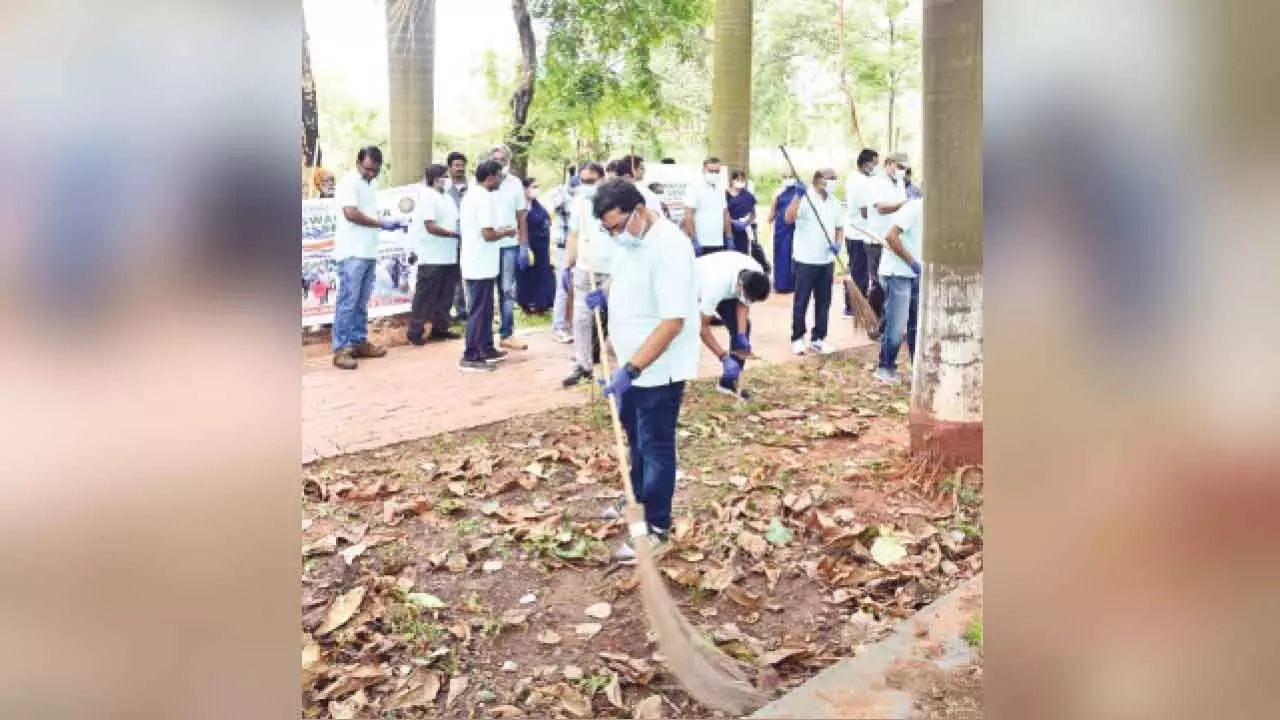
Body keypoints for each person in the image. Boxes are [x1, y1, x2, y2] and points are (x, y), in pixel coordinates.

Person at [587, 179, 701, 561]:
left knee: (656, 447)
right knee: (634, 437)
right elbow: (622, 278)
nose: (616, 235)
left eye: (619, 225)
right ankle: (633, 497)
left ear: (639, 209)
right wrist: (602, 294)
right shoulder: (631, 242)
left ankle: (655, 526)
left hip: (657, 369)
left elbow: (672, 321)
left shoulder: (669, 247)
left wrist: (632, 369)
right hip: (632, 365)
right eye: (608, 229)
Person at [331, 146, 407, 370]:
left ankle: (358, 341)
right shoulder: (349, 182)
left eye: (375, 170)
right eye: (367, 169)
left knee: (362, 301)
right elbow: (351, 213)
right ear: (358, 163)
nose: (371, 174)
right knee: (348, 302)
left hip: (368, 251)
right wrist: (382, 224)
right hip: (351, 252)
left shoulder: (372, 184)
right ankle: (341, 349)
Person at [458, 160, 517, 373]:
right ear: (490, 176)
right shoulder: (482, 198)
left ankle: (486, 347)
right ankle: (471, 354)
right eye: (499, 175)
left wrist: (498, 230)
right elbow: (487, 233)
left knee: (485, 309)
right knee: (479, 310)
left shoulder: (474, 195)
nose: (501, 179)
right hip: (479, 262)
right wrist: (507, 232)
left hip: (481, 261)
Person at [561, 162, 612, 387]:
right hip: (585, 268)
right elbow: (573, 235)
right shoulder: (578, 203)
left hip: (612, 271)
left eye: (591, 181)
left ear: (602, 179)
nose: (587, 186)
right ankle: (583, 365)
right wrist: (567, 265)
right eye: (583, 181)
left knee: (613, 317)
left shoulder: (614, 202)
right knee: (581, 318)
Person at [694, 251, 771, 399]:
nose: (750, 302)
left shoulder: (756, 273)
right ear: (740, 287)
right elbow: (702, 327)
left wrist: (741, 335)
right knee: (680, 331)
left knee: (743, 328)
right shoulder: (714, 286)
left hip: (728, 289)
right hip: (694, 287)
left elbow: (743, 304)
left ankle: (728, 383)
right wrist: (723, 357)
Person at [783, 168, 844, 356]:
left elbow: (839, 227)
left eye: (836, 178)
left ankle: (818, 338)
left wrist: (838, 244)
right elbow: (789, 218)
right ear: (818, 180)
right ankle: (798, 337)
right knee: (801, 300)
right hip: (805, 259)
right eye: (830, 178)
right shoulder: (806, 198)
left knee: (824, 301)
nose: (834, 181)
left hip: (826, 260)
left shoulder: (835, 202)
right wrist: (797, 197)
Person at [406, 164, 463, 345]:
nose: (447, 180)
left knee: (446, 294)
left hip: (449, 254)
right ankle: (415, 331)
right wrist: (452, 234)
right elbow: (430, 226)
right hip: (431, 255)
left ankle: (440, 328)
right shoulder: (427, 196)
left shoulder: (447, 197)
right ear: (434, 178)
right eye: (444, 176)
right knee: (425, 296)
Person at [487, 144, 531, 351]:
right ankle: (485, 334)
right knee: (486, 290)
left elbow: (521, 215)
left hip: (509, 245)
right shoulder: (482, 182)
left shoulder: (515, 184)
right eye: (496, 159)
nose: (500, 163)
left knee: (506, 290)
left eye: (504, 160)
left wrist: (524, 244)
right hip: (486, 245)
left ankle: (507, 333)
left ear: (509, 162)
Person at [876, 197, 924, 385]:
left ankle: (916, 367)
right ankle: (885, 367)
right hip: (898, 273)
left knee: (916, 324)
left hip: (915, 274)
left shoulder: (935, 212)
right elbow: (891, 236)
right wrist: (911, 261)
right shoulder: (914, 208)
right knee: (896, 326)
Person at [866, 152, 911, 335]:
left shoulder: (899, 183)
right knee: (878, 284)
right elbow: (882, 208)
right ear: (889, 163)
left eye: (904, 169)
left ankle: (888, 324)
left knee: (892, 283)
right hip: (876, 240)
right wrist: (905, 204)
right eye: (899, 167)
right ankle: (873, 323)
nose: (902, 171)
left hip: (894, 240)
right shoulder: (876, 182)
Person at [843, 148, 879, 321]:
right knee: (860, 272)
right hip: (859, 232)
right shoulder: (861, 182)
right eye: (874, 163)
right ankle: (853, 306)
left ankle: (854, 305)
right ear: (865, 164)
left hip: (855, 231)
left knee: (857, 270)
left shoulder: (856, 178)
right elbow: (865, 211)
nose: (875, 167)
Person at [516, 177, 556, 313]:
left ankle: (542, 302)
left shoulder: (538, 206)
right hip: (525, 244)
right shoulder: (519, 205)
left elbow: (546, 220)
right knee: (525, 274)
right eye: (533, 187)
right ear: (525, 189)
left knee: (542, 272)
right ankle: (526, 303)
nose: (536, 190)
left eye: (537, 187)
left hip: (541, 245)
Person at [548, 170, 579, 344]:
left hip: (580, 248)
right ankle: (558, 327)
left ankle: (573, 325)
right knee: (563, 287)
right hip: (563, 247)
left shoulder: (585, 197)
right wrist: (568, 190)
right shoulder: (561, 193)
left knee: (577, 288)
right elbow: (555, 205)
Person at [680, 157, 732, 256]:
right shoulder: (694, 188)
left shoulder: (720, 188)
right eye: (711, 171)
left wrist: (729, 237)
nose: (714, 174)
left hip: (718, 242)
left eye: (717, 171)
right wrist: (693, 239)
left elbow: (725, 213)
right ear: (703, 170)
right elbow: (688, 215)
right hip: (701, 243)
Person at [445, 151, 470, 323]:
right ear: (450, 168)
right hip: (448, 238)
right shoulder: (444, 189)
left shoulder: (473, 188)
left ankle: (463, 310)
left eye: (462, 165)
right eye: (456, 165)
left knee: (466, 274)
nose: (459, 169)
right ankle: (447, 311)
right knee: (449, 276)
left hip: (469, 238)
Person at [767, 172, 800, 293]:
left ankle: (794, 284)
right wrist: (770, 218)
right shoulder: (778, 192)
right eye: (785, 176)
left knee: (794, 254)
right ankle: (781, 284)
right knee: (781, 255)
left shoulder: (800, 192)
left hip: (796, 227)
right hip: (781, 229)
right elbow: (772, 213)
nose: (787, 179)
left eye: (790, 176)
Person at [724, 169, 757, 255]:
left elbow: (753, 214)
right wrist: (731, 221)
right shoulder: (724, 194)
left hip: (742, 232)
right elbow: (721, 213)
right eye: (737, 180)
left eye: (742, 180)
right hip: (726, 230)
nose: (740, 182)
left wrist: (745, 223)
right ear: (732, 180)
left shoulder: (748, 196)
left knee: (741, 256)